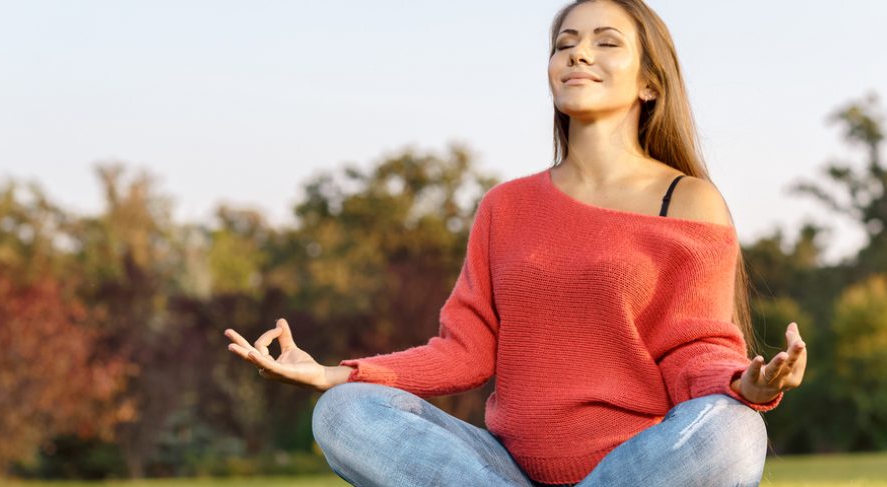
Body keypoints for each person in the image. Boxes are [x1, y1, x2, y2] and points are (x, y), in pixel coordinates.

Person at [223, 0, 808, 485]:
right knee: (344, 415)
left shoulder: (687, 200)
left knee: (735, 431)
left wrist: (743, 383)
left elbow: (694, 348)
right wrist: (334, 374)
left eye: (606, 42)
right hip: (500, 471)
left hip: (638, 465)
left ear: (650, 82)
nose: (577, 52)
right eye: (564, 43)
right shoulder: (505, 206)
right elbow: (464, 351)